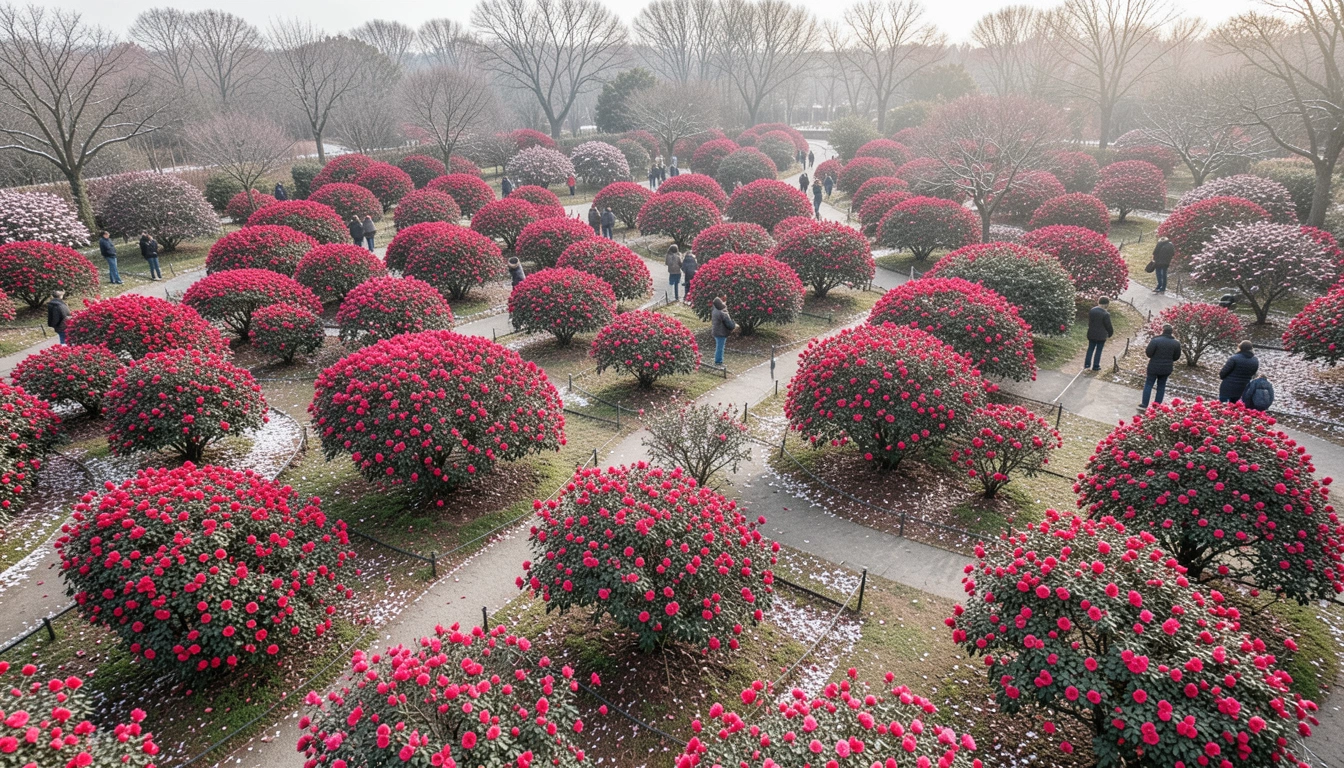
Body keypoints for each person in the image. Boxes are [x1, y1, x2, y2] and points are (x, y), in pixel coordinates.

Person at [1142, 323, 1182, 408]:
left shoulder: (1155, 341)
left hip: (1153, 367)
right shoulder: (1176, 343)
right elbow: (1176, 357)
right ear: (1171, 332)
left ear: (1163, 331)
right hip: (1166, 368)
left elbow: (1149, 353)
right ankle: (1157, 405)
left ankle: (1144, 404)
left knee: (1148, 384)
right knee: (1161, 386)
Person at [1085, 296, 1113, 372]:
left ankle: (1087, 365)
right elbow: (1108, 325)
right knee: (1098, 350)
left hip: (1091, 334)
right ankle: (1096, 366)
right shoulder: (1105, 314)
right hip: (1101, 336)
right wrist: (1110, 333)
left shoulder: (1092, 311)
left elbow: (1090, 322)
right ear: (1106, 304)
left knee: (1090, 349)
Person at [711, 296, 735, 366]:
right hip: (721, 332)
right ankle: (718, 361)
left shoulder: (714, 310)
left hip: (716, 331)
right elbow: (729, 324)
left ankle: (718, 360)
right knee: (720, 348)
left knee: (719, 347)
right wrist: (733, 324)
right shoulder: (722, 313)